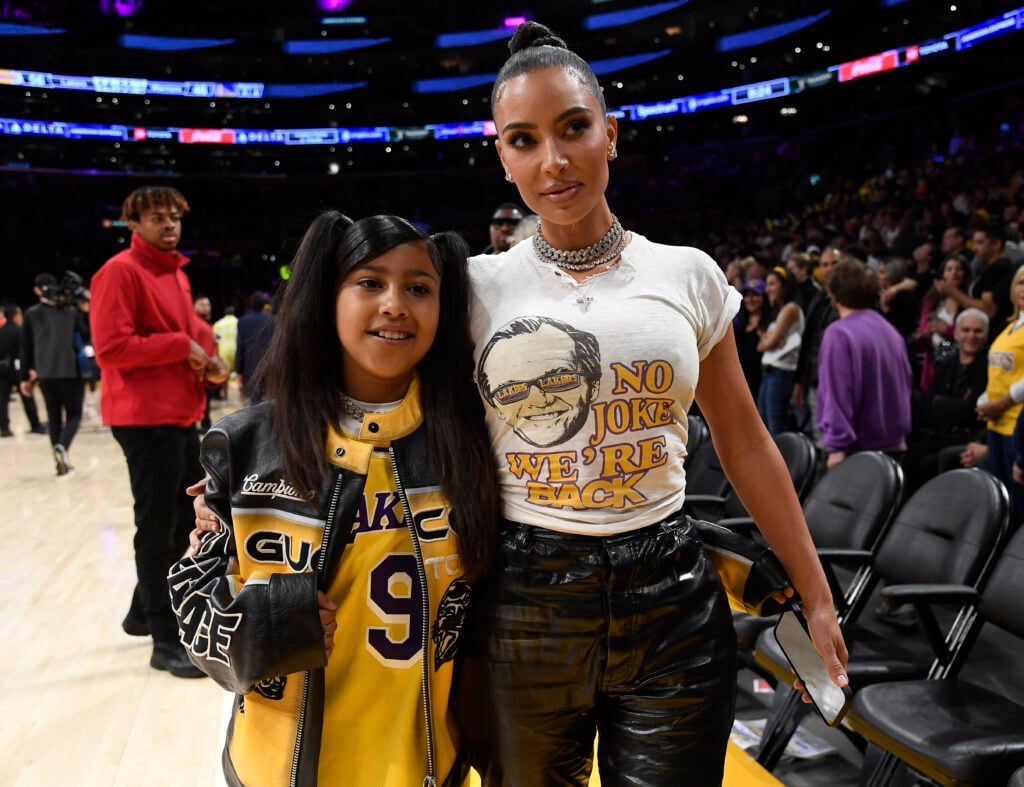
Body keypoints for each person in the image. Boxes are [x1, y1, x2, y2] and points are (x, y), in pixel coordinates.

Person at [463, 22, 846, 785]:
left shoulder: (690, 274)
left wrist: (818, 592)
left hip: (670, 595)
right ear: (502, 157)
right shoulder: (474, 285)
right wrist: (244, 466)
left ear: (611, 132)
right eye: (525, 140)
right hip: (521, 602)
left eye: (574, 129)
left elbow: (744, 442)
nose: (555, 159)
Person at [169, 212, 498, 786]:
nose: (395, 304)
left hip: (429, 764)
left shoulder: (475, 443)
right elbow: (192, 598)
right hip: (278, 767)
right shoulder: (244, 444)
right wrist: (250, 630)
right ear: (327, 298)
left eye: (419, 288)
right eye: (369, 283)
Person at [90, 186, 228, 678]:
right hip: (142, 416)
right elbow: (111, 348)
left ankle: (139, 612)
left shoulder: (176, 275)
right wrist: (182, 344)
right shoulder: (119, 272)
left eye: (174, 217)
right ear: (134, 223)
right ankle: (164, 640)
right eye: (156, 218)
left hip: (178, 411)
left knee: (179, 519)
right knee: (157, 528)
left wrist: (209, 358)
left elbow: (190, 330)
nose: (169, 224)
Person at [816, 259, 913, 469]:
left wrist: (836, 447)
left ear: (832, 292)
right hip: (895, 447)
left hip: (856, 451)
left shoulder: (839, 333)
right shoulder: (890, 330)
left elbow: (838, 391)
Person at [902, 308, 990, 497]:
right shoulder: (948, 360)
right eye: (966, 330)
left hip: (967, 437)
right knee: (908, 453)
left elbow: (969, 412)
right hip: (938, 433)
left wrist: (940, 403)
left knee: (930, 462)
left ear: (986, 336)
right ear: (956, 334)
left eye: (978, 331)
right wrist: (949, 405)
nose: (971, 336)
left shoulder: (989, 366)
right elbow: (927, 402)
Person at [19, 272, 89, 475]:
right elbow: (85, 334)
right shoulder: (70, 311)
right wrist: (83, 311)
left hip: (45, 373)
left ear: (37, 290)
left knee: (54, 417)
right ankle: (63, 447)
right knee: (74, 415)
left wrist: (25, 377)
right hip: (70, 371)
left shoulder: (31, 314)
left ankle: (60, 463)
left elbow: (25, 347)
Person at [976, 263, 1024, 522]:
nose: (1023, 289)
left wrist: (1004, 401)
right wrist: (985, 400)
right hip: (997, 423)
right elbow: (998, 371)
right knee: (1003, 504)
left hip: (1017, 424)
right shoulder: (1010, 326)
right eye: (1020, 282)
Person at [756, 266, 804, 435]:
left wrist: (769, 341)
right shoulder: (779, 310)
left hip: (781, 373)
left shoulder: (790, 309)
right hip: (771, 373)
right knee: (763, 424)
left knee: (775, 428)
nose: (767, 289)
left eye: (772, 284)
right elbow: (760, 345)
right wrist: (769, 341)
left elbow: (766, 345)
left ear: (785, 285)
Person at [913, 254, 970, 389]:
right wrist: (923, 336)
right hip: (933, 362)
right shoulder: (931, 300)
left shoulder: (969, 302)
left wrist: (947, 331)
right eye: (949, 269)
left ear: (965, 274)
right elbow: (924, 328)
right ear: (942, 274)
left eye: (959, 269)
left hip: (959, 362)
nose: (954, 273)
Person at [0, 303, 48, 437]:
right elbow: (25, 352)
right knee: (27, 397)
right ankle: (35, 424)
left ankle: (4, 428)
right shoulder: (19, 331)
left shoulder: (1, 331)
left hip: (2, 370)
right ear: (16, 315)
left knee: (2, 400)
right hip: (18, 369)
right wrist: (30, 368)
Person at [234, 291, 275, 404]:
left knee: (255, 404)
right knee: (272, 403)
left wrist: (238, 370)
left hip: (250, 367)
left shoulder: (242, 321)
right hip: (271, 366)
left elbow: (240, 347)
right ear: (264, 304)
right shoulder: (274, 320)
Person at [734, 276, 767, 400]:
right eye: (747, 296)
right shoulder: (739, 322)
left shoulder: (769, 323)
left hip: (762, 381)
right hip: (742, 381)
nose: (750, 300)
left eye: (755, 295)